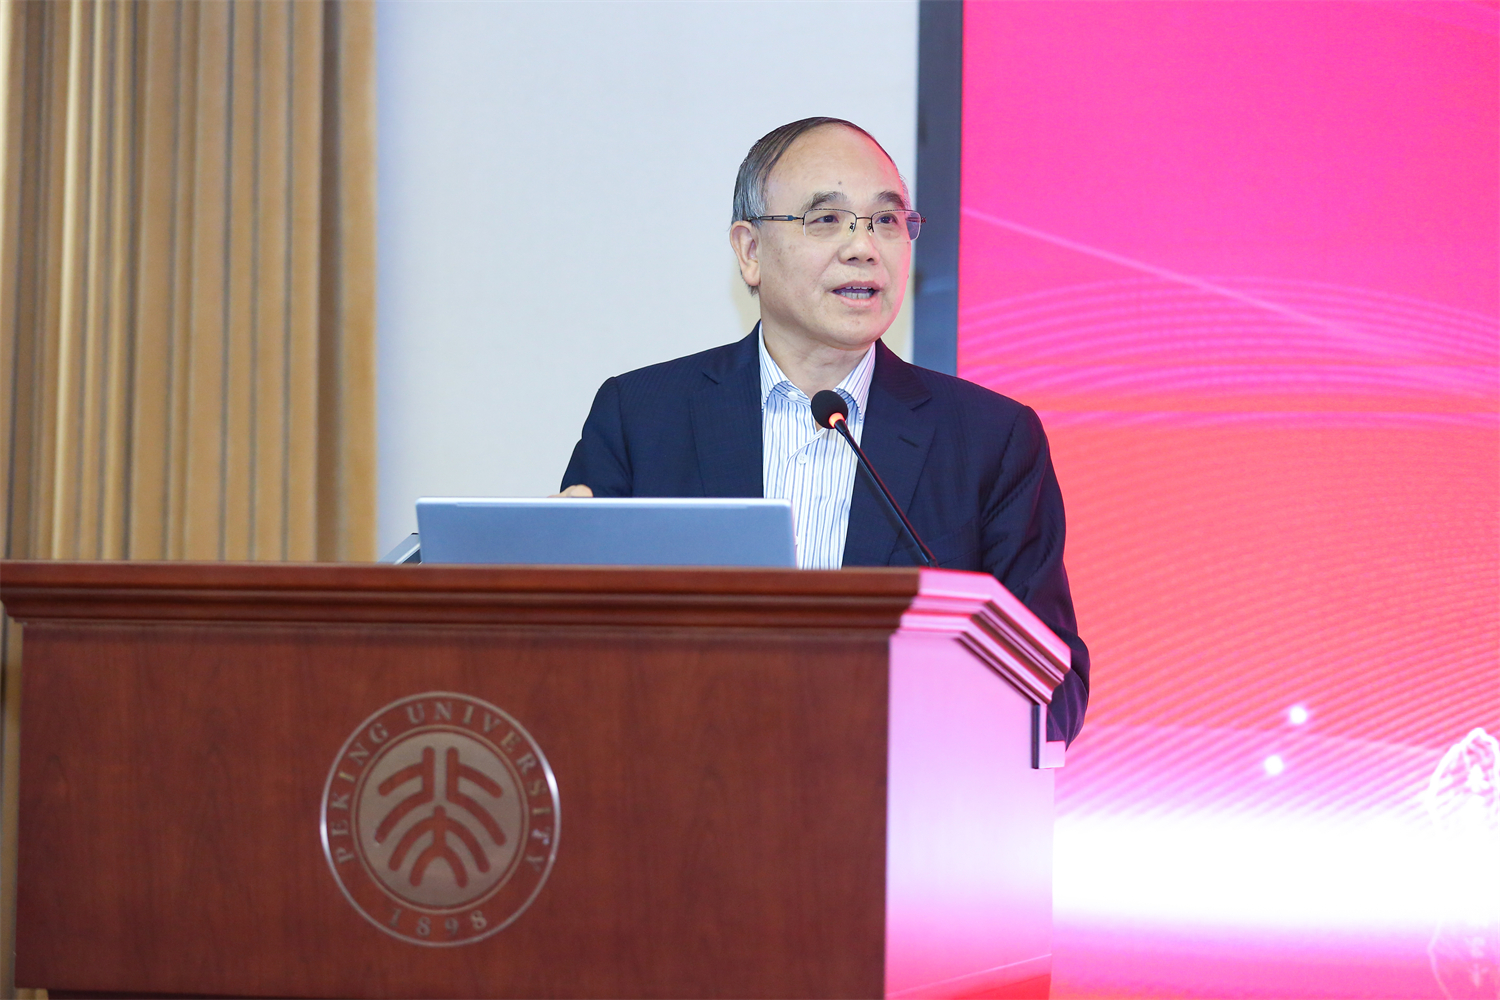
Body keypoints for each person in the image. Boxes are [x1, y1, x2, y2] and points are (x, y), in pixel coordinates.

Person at [561, 117, 1088, 744]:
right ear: (750, 251)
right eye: (827, 219)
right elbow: (567, 659)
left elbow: (1053, 695)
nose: (863, 247)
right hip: (684, 782)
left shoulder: (990, 441)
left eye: (887, 220)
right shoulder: (643, 417)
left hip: (891, 792)